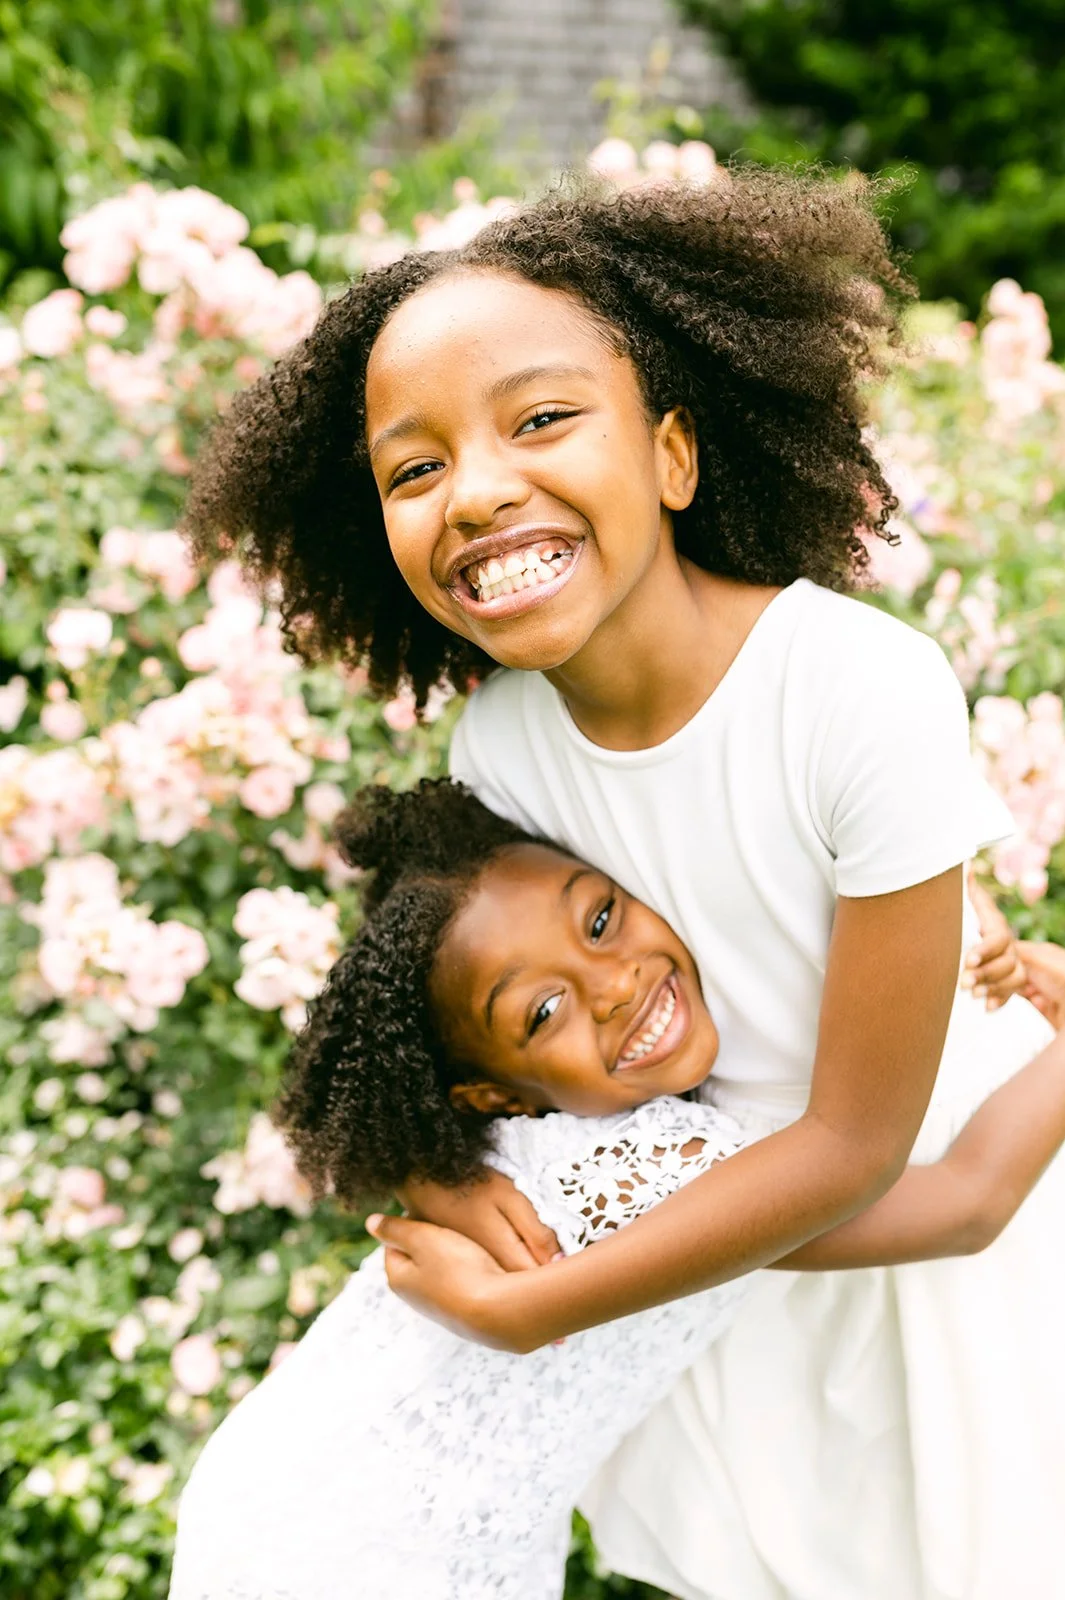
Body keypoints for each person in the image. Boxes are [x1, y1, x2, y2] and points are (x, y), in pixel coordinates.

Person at [181, 169, 1065, 1597]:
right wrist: (431, 1171)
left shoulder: (856, 691)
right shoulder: (504, 744)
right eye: (414, 469)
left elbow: (858, 1149)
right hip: (732, 1295)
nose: (475, 489)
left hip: (957, 1262)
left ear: (671, 452)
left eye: (540, 420)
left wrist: (535, 1309)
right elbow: (481, 1021)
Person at [169, 782, 1065, 1600]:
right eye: (543, 1013)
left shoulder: (517, 1146)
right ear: (492, 1097)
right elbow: (965, 1201)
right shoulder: (642, 1175)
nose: (614, 985)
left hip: (356, 1509)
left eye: (599, 920)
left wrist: (938, 892)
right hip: (354, 1545)